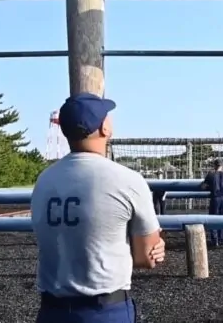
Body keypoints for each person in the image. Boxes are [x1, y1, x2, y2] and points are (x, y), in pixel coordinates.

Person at [31, 93, 165, 323]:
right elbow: (146, 258)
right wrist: (155, 247)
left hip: (52, 310)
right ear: (104, 128)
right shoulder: (128, 180)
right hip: (105, 311)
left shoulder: (44, 180)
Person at [200, 159, 223, 248]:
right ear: (222, 166)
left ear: (214, 166)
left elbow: (203, 186)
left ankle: (215, 240)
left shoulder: (210, 175)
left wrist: (209, 187)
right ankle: (221, 237)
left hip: (214, 199)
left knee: (213, 218)